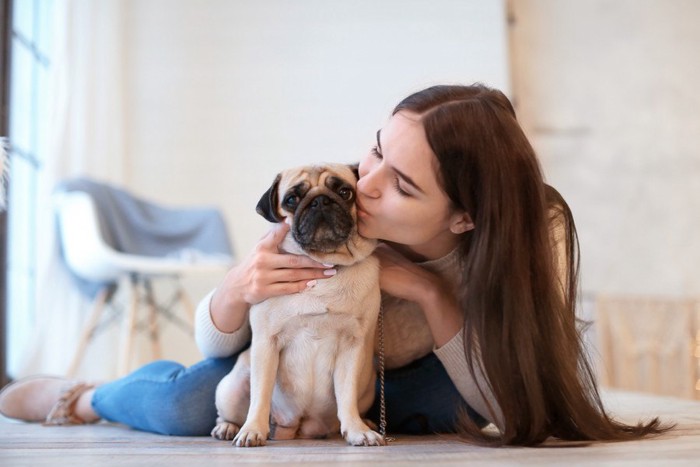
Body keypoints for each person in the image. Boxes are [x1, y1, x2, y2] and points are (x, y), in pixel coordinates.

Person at [0, 84, 669, 445]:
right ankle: (82, 396)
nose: (367, 181)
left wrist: (430, 294)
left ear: (464, 216)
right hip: (294, 368)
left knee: (452, 403)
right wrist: (236, 290)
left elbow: (511, 405)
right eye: (374, 151)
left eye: (401, 185)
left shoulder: (521, 244)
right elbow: (231, 341)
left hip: (401, 377)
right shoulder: (335, 214)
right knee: (189, 402)